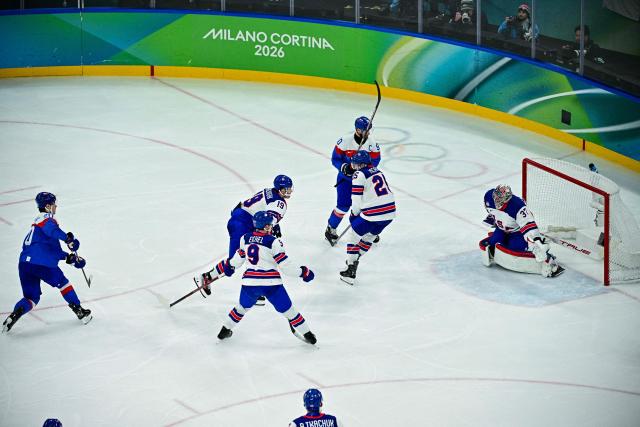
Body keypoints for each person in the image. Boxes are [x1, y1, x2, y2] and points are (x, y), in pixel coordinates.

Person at [199, 211, 317, 345]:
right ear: (265, 226)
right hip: (272, 285)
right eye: (269, 225)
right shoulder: (274, 242)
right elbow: (286, 268)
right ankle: (308, 335)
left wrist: (229, 267)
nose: (271, 227)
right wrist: (304, 272)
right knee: (289, 311)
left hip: (250, 284)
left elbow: (236, 262)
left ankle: (224, 330)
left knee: (240, 309)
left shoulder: (245, 238)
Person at [2, 192, 91, 333]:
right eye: (54, 203)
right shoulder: (46, 219)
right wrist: (67, 239)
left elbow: (52, 251)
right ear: (48, 206)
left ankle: (15, 314)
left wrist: (71, 258)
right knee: (63, 283)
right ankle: (79, 311)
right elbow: (52, 231)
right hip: (42, 264)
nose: (56, 206)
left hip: (25, 264)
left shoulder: (36, 228)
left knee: (31, 298)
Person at [223, 175, 293, 304]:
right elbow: (269, 219)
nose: (288, 192)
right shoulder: (280, 203)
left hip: (238, 217)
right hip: (242, 225)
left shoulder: (268, 191)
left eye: (289, 189)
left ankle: (255, 289)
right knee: (234, 261)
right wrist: (272, 230)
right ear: (279, 189)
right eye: (285, 190)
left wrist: (276, 226)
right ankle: (207, 278)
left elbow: (260, 209)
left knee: (250, 255)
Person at [479, 184, 564, 278]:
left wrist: (536, 241)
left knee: (517, 248)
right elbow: (490, 210)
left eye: (501, 200)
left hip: (517, 231)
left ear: (507, 199)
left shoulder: (518, 206)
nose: (497, 202)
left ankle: (549, 260)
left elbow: (528, 225)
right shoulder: (489, 196)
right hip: (502, 229)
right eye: (496, 198)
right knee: (492, 243)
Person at [340, 151, 396, 285]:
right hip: (390, 213)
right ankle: (355, 258)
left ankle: (351, 269)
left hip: (373, 213)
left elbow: (355, 198)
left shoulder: (359, 174)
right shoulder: (377, 171)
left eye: (355, 163)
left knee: (353, 236)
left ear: (361, 164)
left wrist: (354, 214)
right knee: (369, 237)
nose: (353, 165)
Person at [325, 116, 381, 246]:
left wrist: (363, 170)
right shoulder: (345, 141)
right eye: (364, 131)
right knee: (343, 206)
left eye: (368, 131)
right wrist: (344, 167)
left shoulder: (372, 143)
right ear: (357, 129)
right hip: (346, 180)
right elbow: (335, 159)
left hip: (363, 181)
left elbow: (376, 161)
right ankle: (331, 228)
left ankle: (366, 230)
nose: (367, 134)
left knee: (366, 206)